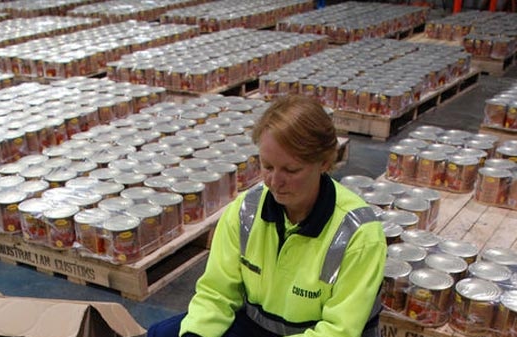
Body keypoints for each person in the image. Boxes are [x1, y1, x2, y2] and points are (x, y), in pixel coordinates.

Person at [147, 95, 387, 337]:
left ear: (324, 162)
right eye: (267, 166)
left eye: (291, 170)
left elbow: (338, 331)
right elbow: (216, 294)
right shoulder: (245, 211)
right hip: (257, 326)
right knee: (165, 333)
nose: (275, 182)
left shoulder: (359, 234)